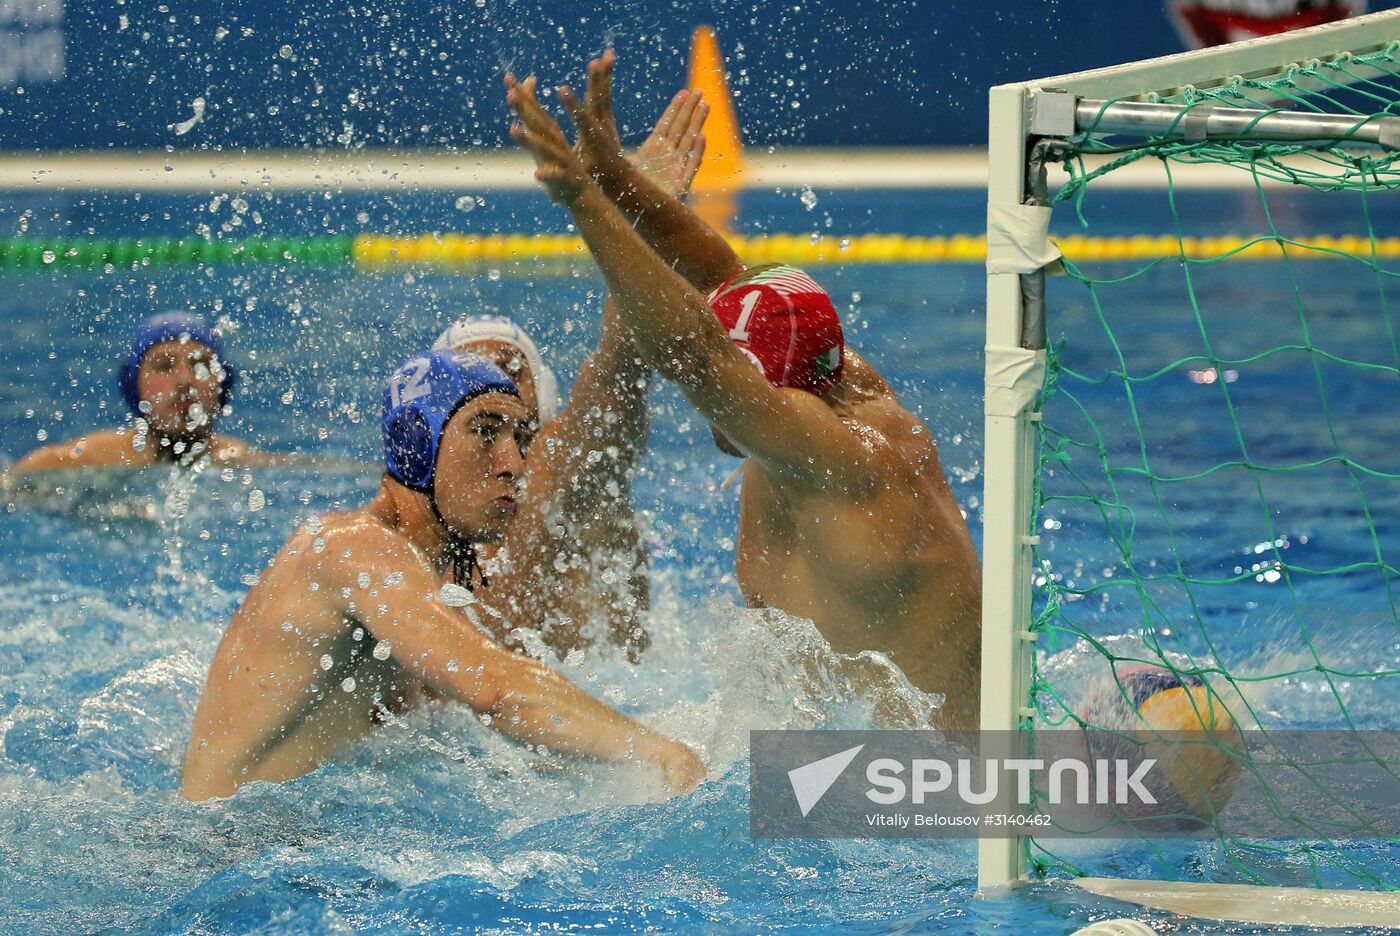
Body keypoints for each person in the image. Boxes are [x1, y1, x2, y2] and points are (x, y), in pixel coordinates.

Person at [505, 53, 983, 731]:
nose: (719, 405)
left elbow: (698, 354)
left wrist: (584, 201)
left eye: (739, 380)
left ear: (770, 390)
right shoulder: (837, 375)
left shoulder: (833, 455)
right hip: (864, 774)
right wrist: (620, 181)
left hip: (937, 797)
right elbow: (722, 275)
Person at [181, 350, 705, 800]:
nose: (514, 465)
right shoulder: (352, 550)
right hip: (226, 861)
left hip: (290, 844)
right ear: (414, 446)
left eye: (521, 438)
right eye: (484, 433)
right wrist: (662, 753)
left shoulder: (427, 585)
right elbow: (498, 691)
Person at [432, 91, 708, 661]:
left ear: (543, 394)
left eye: (510, 374)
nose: (494, 390)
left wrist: (640, 215)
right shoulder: (417, 503)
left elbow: (618, 364)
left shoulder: (564, 458)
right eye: (472, 378)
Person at [13, 311, 252, 474]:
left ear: (223, 383)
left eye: (201, 365)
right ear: (133, 384)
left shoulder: (244, 465)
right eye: (164, 366)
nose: (185, 380)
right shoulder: (72, 462)